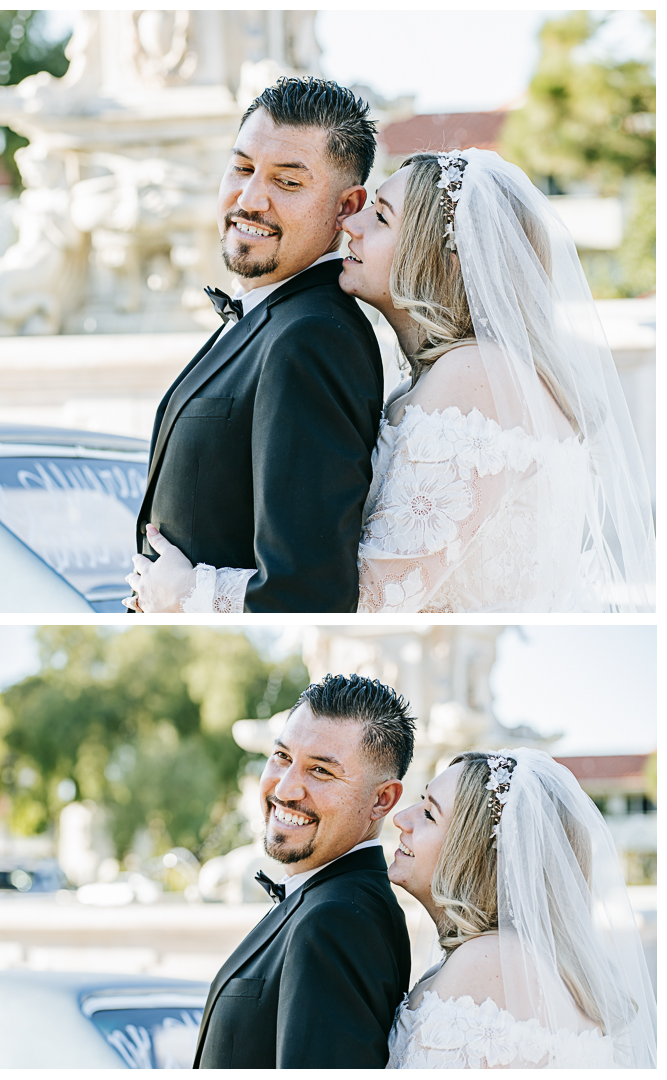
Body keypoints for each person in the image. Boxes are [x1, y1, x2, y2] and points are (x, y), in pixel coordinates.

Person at [129, 146, 655, 613]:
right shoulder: (461, 373)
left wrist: (189, 591)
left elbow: (378, 602)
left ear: (441, 259)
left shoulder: (476, 376)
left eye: (381, 217)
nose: (351, 226)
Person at [123, 77, 383, 614]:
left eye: (287, 183)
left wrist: (184, 596)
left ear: (347, 206)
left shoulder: (312, 339)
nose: (249, 200)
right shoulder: (272, 315)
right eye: (242, 169)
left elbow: (309, 592)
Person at [192, 674, 414, 1069]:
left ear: (383, 800)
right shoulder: (330, 901)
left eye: (321, 771)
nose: (285, 789)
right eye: (282, 757)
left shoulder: (338, 921)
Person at [385, 749, 657, 1069]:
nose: (401, 818)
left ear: (475, 857)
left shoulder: (490, 961)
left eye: (430, 813)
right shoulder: (519, 958)